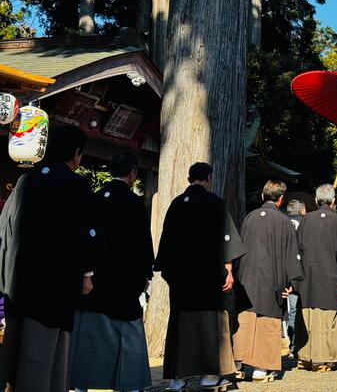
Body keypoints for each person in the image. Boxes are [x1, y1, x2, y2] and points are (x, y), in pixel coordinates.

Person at [0, 126, 96, 392]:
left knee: (17, 345)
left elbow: (5, 227)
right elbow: (83, 232)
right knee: (46, 349)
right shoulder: (75, 184)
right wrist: (87, 274)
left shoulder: (25, 181)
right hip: (55, 281)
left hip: (19, 280)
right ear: (76, 154)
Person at [155, 162, 246, 391]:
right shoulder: (214, 202)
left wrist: (169, 273)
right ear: (207, 178)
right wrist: (228, 269)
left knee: (181, 324)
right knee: (209, 325)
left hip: (181, 278)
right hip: (208, 276)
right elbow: (225, 238)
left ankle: (179, 377)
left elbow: (166, 242)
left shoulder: (177, 204)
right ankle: (209, 375)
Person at [70, 152, 154, 392]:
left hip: (95, 279)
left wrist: (85, 272)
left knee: (87, 336)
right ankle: (128, 385)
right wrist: (146, 273)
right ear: (132, 174)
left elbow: (84, 239)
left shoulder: (94, 199)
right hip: (124, 282)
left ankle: (81, 384)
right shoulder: (133, 203)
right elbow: (142, 244)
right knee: (126, 336)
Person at [234, 181, 304, 382]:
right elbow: (291, 254)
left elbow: (239, 248)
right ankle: (260, 369)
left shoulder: (250, 217)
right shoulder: (283, 221)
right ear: (281, 199)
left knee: (245, 319)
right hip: (272, 278)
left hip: (246, 276)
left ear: (263, 196)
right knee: (267, 321)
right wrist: (292, 282)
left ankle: (238, 364)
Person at [294, 184, 337, 372]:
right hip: (330, 277)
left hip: (306, 277)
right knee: (326, 317)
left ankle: (305, 357)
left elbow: (296, 250)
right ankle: (322, 359)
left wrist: (294, 279)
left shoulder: (306, 221)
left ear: (316, 201)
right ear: (333, 201)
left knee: (307, 316)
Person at [285, 199, 306, 357]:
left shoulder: (283, 223)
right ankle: (301, 343)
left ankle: (291, 345)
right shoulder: (306, 224)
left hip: (285, 272)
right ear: (302, 210)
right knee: (302, 309)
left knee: (291, 311)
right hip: (302, 272)